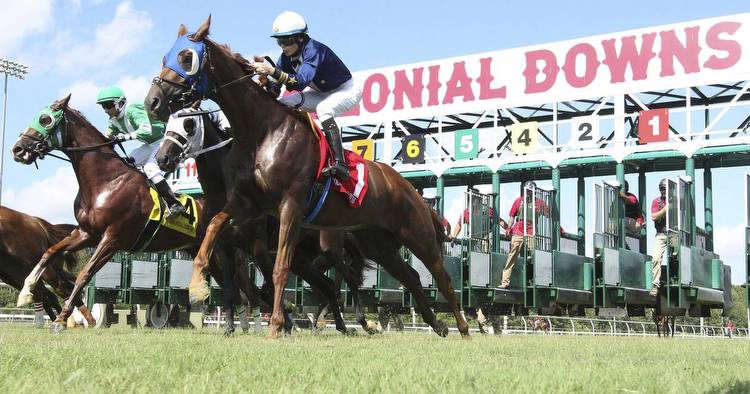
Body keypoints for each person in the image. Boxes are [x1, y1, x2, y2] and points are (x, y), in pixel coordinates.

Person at [252, 11, 362, 181]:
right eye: (280, 41)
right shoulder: (285, 58)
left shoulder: (315, 50)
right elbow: (275, 92)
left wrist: (272, 70)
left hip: (346, 90)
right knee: (282, 103)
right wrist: (266, 82)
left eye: (287, 41)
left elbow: (299, 83)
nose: (283, 46)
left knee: (324, 109)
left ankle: (341, 165)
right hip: (321, 93)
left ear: (301, 38)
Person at [96, 86, 185, 217]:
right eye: (103, 106)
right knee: (125, 164)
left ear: (120, 103)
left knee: (150, 168)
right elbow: (106, 139)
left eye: (108, 105)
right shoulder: (113, 121)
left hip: (165, 140)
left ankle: (174, 204)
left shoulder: (132, 109)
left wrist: (125, 137)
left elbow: (146, 129)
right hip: (150, 144)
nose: (105, 110)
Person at [499, 181, 548, 289]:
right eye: (527, 190)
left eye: (530, 191)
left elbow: (549, 215)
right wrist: (508, 228)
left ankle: (539, 280)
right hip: (518, 230)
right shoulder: (518, 201)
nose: (528, 193)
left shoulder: (540, 203)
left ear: (534, 191)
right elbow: (512, 216)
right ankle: (505, 282)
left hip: (532, 231)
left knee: (535, 255)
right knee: (511, 256)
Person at [649, 178, 671, 296]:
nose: (663, 191)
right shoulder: (656, 202)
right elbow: (654, 216)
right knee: (656, 258)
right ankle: (656, 285)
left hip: (674, 234)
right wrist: (666, 209)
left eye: (665, 188)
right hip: (661, 234)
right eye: (661, 189)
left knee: (679, 258)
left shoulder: (677, 200)